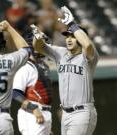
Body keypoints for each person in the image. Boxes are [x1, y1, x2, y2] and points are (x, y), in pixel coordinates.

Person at [32, 6, 98, 135]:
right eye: (67, 36)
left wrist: (72, 24)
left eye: (72, 36)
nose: (68, 39)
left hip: (82, 112)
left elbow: (88, 44)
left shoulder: (89, 56)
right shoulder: (61, 53)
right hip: (65, 114)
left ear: (80, 38)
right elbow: (38, 47)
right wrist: (37, 36)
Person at [12, 33, 52, 135]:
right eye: (42, 45)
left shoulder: (43, 66)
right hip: (31, 114)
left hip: (46, 112)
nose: (45, 48)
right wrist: (33, 108)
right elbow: (15, 93)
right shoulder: (25, 67)